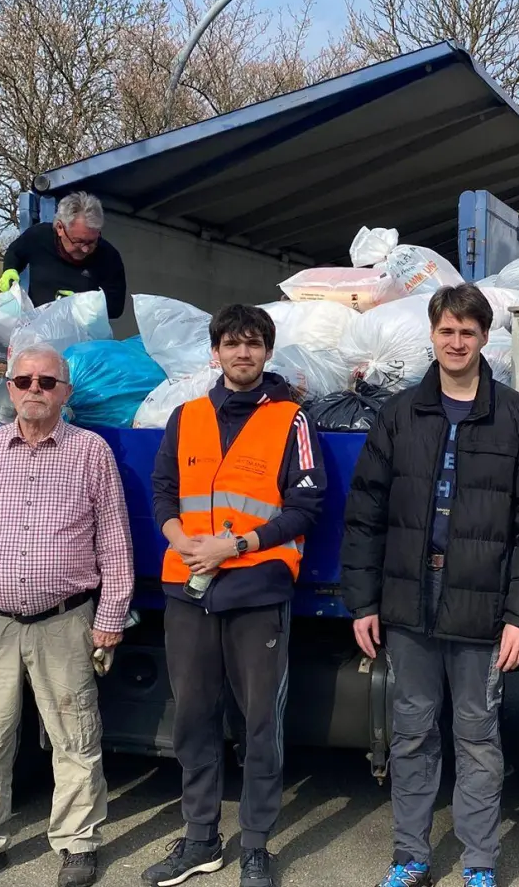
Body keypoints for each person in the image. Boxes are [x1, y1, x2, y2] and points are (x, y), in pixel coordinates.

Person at [340, 284, 519, 887]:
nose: (457, 342)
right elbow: (365, 515)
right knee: (411, 735)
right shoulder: (399, 415)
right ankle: (410, 857)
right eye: (447, 331)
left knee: (477, 739)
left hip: (482, 609)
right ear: (433, 335)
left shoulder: (518, 418)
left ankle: (479, 863)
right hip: (409, 604)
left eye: (468, 332)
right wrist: (362, 602)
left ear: (485, 338)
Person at [142, 304, 327, 887]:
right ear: (215, 352)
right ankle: (200, 840)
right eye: (232, 343)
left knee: (259, 725)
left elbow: (305, 506)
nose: (242, 353)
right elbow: (164, 492)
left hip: (257, 589)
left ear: (267, 353)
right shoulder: (187, 416)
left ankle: (254, 845)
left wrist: (237, 544)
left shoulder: (293, 420)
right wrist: (181, 540)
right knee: (193, 719)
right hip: (188, 589)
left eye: (253, 344)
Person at [0, 343, 134, 887]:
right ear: (8, 386)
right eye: (24, 380)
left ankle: (76, 842)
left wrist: (111, 615)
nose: (34, 390)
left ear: (65, 393)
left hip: (65, 621)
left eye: (47, 382)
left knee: (75, 736)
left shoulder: (90, 452)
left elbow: (115, 542)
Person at [0, 191, 127, 319]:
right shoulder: (39, 236)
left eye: (92, 241)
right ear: (60, 228)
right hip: (37, 330)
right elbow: (15, 252)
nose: (86, 249)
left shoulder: (108, 257)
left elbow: (116, 307)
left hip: (83, 336)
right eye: (79, 241)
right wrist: (10, 269)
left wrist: (80, 305)